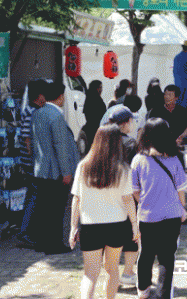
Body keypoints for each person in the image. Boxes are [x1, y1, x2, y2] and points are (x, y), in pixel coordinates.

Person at [69, 125, 139, 299]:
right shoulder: (123, 169)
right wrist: (134, 224)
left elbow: (76, 199)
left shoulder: (83, 166)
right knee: (112, 268)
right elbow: (128, 199)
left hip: (90, 226)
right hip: (117, 225)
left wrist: (72, 227)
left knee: (90, 274)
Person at [132, 118, 187, 299]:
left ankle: (143, 290)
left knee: (146, 254)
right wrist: (182, 209)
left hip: (147, 216)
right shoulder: (174, 159)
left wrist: (145, 201)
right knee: (166, 257)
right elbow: (181, 191)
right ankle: (163, 294)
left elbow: (134, 190)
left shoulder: (138, 160)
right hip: (172, 216)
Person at [31, 81, 81, 254]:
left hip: (41, 168)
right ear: (60, 97)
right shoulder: (56, 116)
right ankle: (54, 244)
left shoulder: (38, 113)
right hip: (55, 171)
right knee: (56, 209)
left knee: (43, 208)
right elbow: (60, 146)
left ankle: (41, 242)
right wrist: (66, 172)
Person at [106, 106, 139, 285]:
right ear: (126, 123)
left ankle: (112, 275)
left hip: (105, 194)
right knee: (132, 233)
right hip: (127, 194)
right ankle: (128, 272)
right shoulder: (131, 143)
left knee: (110, 236)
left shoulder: (102, 141)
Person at [17, 79, 47, 247]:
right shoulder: (32, 111)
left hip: (29, 161)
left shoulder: (31, 109)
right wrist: (34, 157)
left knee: (32, 194)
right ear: (39, 95)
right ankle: (25, 231)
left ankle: (27, 230)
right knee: (34, 195)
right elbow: (27, 138)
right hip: (31, 162)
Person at [83, 80, 107, 148]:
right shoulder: (97, 100)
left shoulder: (88, 99)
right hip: (96, 129)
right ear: (96, 88)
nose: (101, 90)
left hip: (90, 128)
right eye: (100, 87)